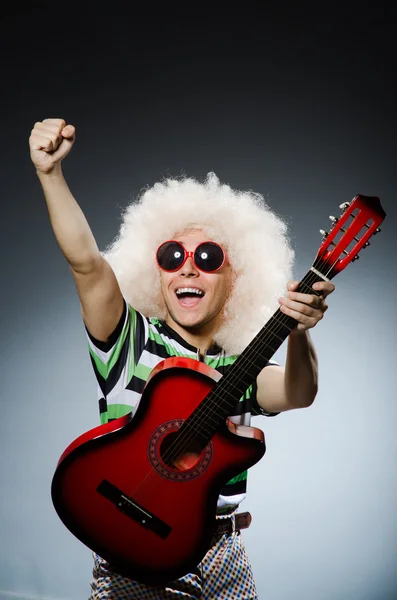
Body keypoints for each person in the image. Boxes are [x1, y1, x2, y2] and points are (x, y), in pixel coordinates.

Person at [29, 118, 335, 600]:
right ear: (157, 272)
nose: (188, 266)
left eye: (210, 257)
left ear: (236, 278)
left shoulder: (240, 372)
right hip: (132, 549)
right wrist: (50, 175)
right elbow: (86, 262)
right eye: (172, 255)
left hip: (224, 553)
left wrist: (299, 333)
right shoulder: (128, 340)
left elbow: (300, 392)